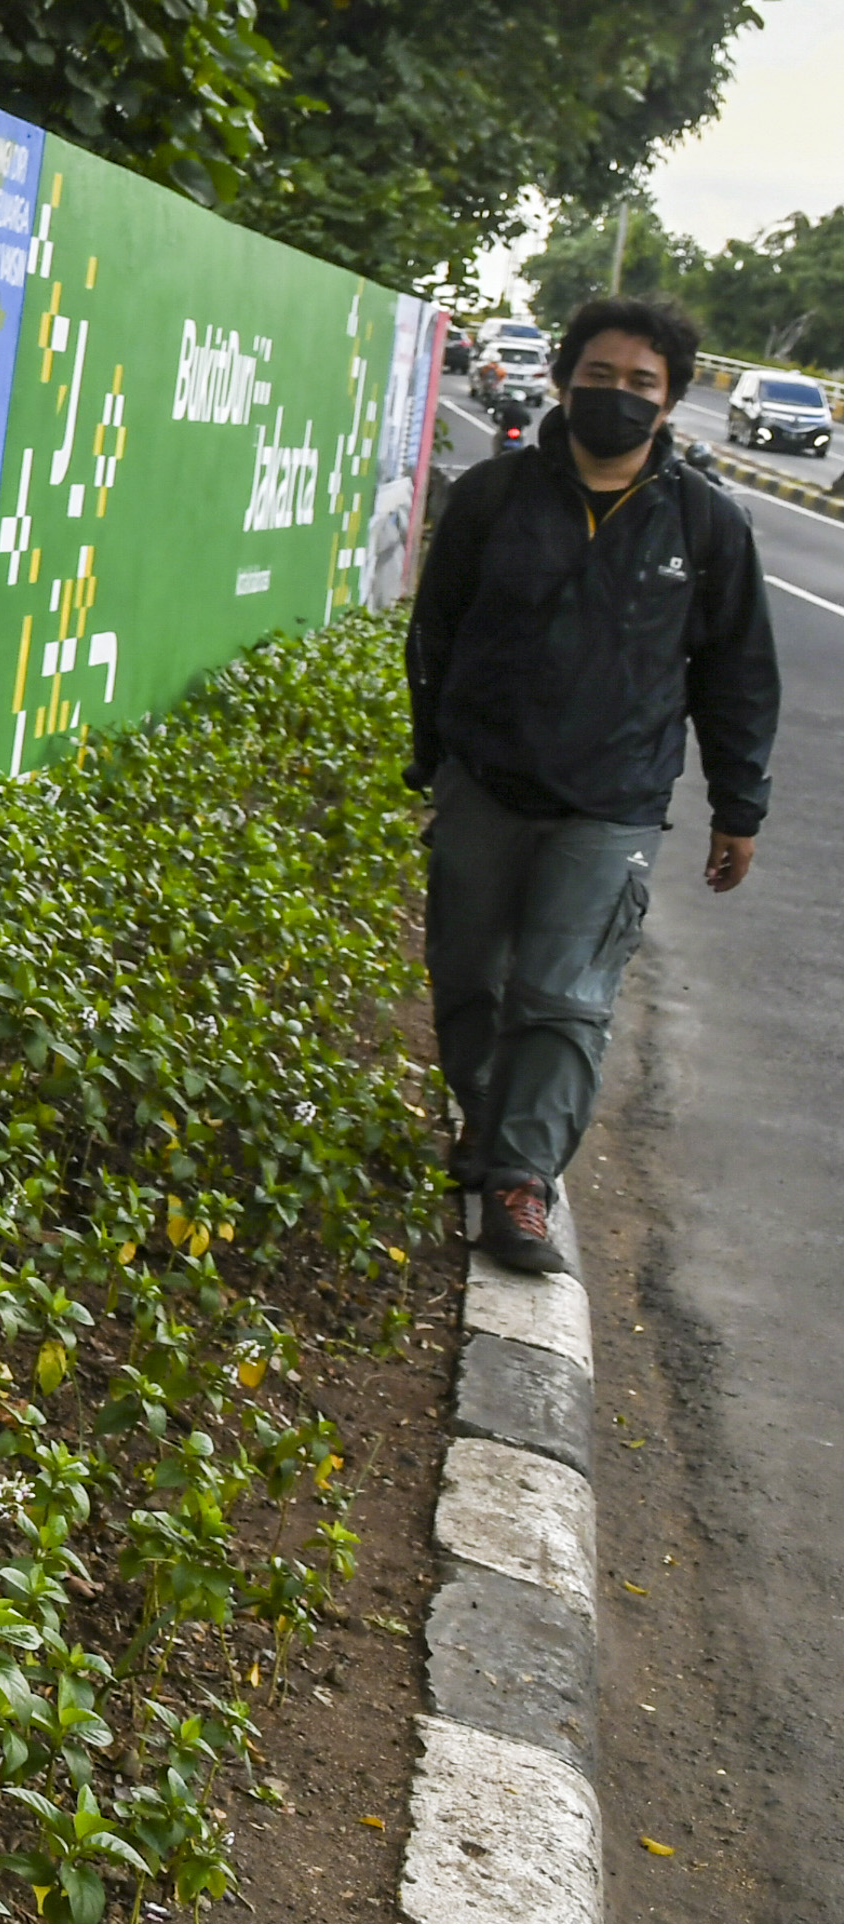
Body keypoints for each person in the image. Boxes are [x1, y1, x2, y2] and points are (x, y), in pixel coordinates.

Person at [407, 295, 775, 1273]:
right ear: (566, 378)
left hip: (612, 803)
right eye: (599, 376)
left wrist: (738, 807)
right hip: (485, 781)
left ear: (671, 404)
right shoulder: (492, 499)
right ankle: (489, 1131)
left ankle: (523, 1179)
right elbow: (433, 636)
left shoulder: (705, 526)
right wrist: (429, 756)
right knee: (468, 977)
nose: (616, 397)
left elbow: (736, 677)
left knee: (563, 993)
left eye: (641, 385)